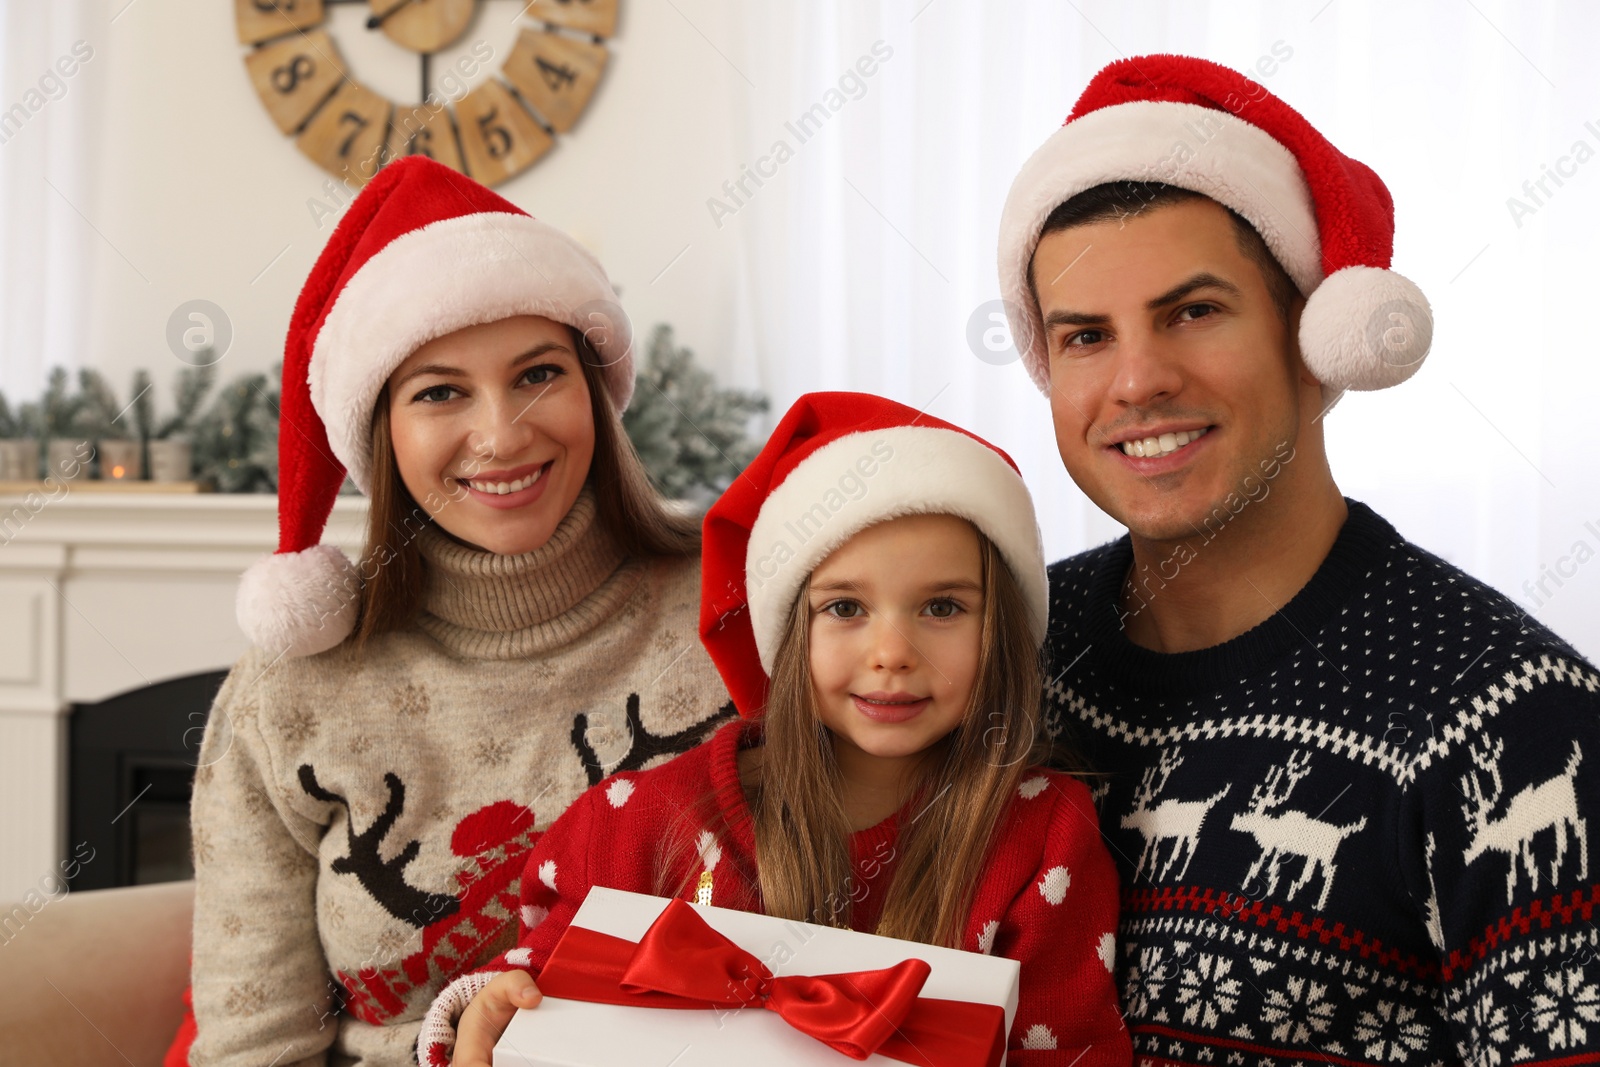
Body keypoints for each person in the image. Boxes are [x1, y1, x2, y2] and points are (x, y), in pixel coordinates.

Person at [996, 54, 1600, 1062]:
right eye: (1086, 335)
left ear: (1317, 338)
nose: (1138, 380)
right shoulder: (996, 662)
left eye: (1194, 311)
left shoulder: (1520, 720)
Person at [175, 157, 733, 1067]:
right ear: (381, 431)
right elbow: (253, 1045)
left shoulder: (736, 605)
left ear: (595, 386)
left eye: (538, 374)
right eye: (439, 391)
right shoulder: (286, 697)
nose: (502, 434)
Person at [416, 392, 1132, 1066]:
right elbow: (528, 993)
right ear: (787, 634)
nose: (892, 652)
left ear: (1001, 631)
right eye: (845, 608)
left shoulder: (1044, 839)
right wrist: (482, 1017)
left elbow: (1073, 1048)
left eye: (942, 607)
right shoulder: (634, 823)